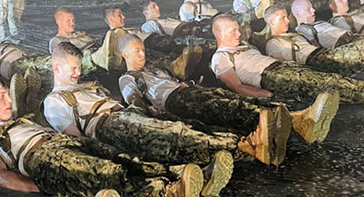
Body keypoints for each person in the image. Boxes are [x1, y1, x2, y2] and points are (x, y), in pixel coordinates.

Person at [0, 78, 230, 197]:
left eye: (7, 94)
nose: (8, 100)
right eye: (0, 97)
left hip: (62, 143)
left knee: (124, 159)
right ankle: (171, 194)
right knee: (106, 174)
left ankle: (183, 175)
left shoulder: (22, 121)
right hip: (43, 157)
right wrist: (40, 187)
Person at [118, 34, 339, 159]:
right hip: (176, 101)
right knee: (232, 110)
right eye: (136, 51)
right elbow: (134, 101)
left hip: (190, 92)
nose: (142, 54)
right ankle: (299, 122)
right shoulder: (127, 78)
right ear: (124, 54)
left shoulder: (154, 71)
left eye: (143, 50)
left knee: (242, 102)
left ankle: (296, 118)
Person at [43, 43, 262, 165]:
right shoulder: (54, 101)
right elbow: (75, 137)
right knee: (173, 136)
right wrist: (106, 155)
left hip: (126, 116)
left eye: (78, 67)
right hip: (108, 125)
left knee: (183, 127)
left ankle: (247, 142)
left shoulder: (86, 86)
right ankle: (246, 147)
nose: (78, 72)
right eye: (73, 68)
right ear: (56, 68)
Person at [210, 14, 364, 113]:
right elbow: (235, 87)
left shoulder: (244, 47)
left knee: (332, 82)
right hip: (272, 77)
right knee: (330, 86)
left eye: (238, 29)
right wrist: (265, 95)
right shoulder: (219, 57)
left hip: (286, 71)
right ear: (220, 33)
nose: (238, 33)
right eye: (233, 30)